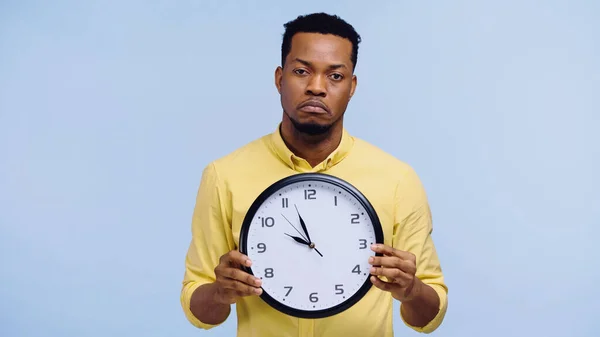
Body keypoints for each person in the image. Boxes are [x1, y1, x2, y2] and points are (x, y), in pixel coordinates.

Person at [180, 12, 448, 337]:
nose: (316, 87)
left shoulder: (397, 180)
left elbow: (429, 316)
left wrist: (411, 290)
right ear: (280, 78)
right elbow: (199, 309)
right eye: (301, 71)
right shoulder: (224, 176)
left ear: (352, 86)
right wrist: (220, 293)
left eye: (335, 76)